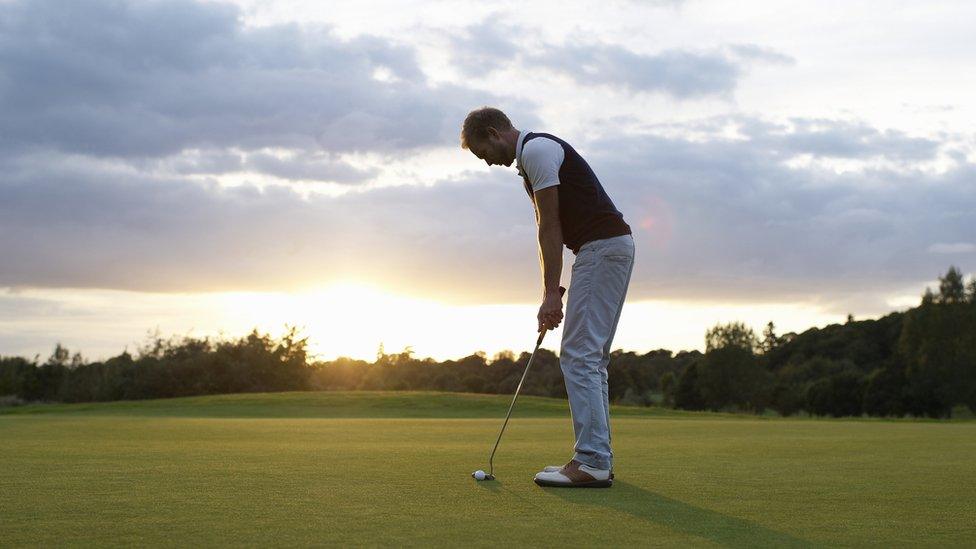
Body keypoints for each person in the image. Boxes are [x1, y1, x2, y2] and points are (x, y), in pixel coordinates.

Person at [460, 106, 635, 488]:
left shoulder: (537, 151)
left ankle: (591, 461)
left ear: (493, 133)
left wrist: (550, 296)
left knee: (579, 355)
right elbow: (549, 229)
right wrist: (553, 289)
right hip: (602, 248)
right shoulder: (534, 158)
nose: (487, 163)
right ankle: (596, 457)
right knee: (590, 357)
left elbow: (549, 226)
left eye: (482, 153)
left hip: (602, 248)